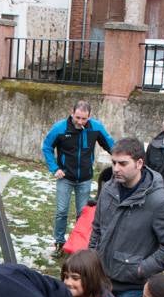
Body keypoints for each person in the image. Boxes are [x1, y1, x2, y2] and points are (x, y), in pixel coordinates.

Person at [88, 137, 164, 297]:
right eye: (113, 163)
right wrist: (92, 257)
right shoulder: (108, 189)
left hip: (132, 287)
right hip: (102, 279)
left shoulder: (159, 201)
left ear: (139, 163)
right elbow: (97, 228)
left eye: (123, 163)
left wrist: (143, 267)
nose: (116, 169)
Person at [42, 100, 114, 255]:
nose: (80, 122)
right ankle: (59, 243)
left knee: (83, 214)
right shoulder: (60, 128)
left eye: (84, 119)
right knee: (62, 211)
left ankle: (79, 244)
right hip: (65, 177)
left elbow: (111, 146)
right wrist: (55, 168)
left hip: (85, 178)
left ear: (89, 116)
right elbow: (47, 147)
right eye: (77, 117)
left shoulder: (96, 127)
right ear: (72, 112)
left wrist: (120, 160)